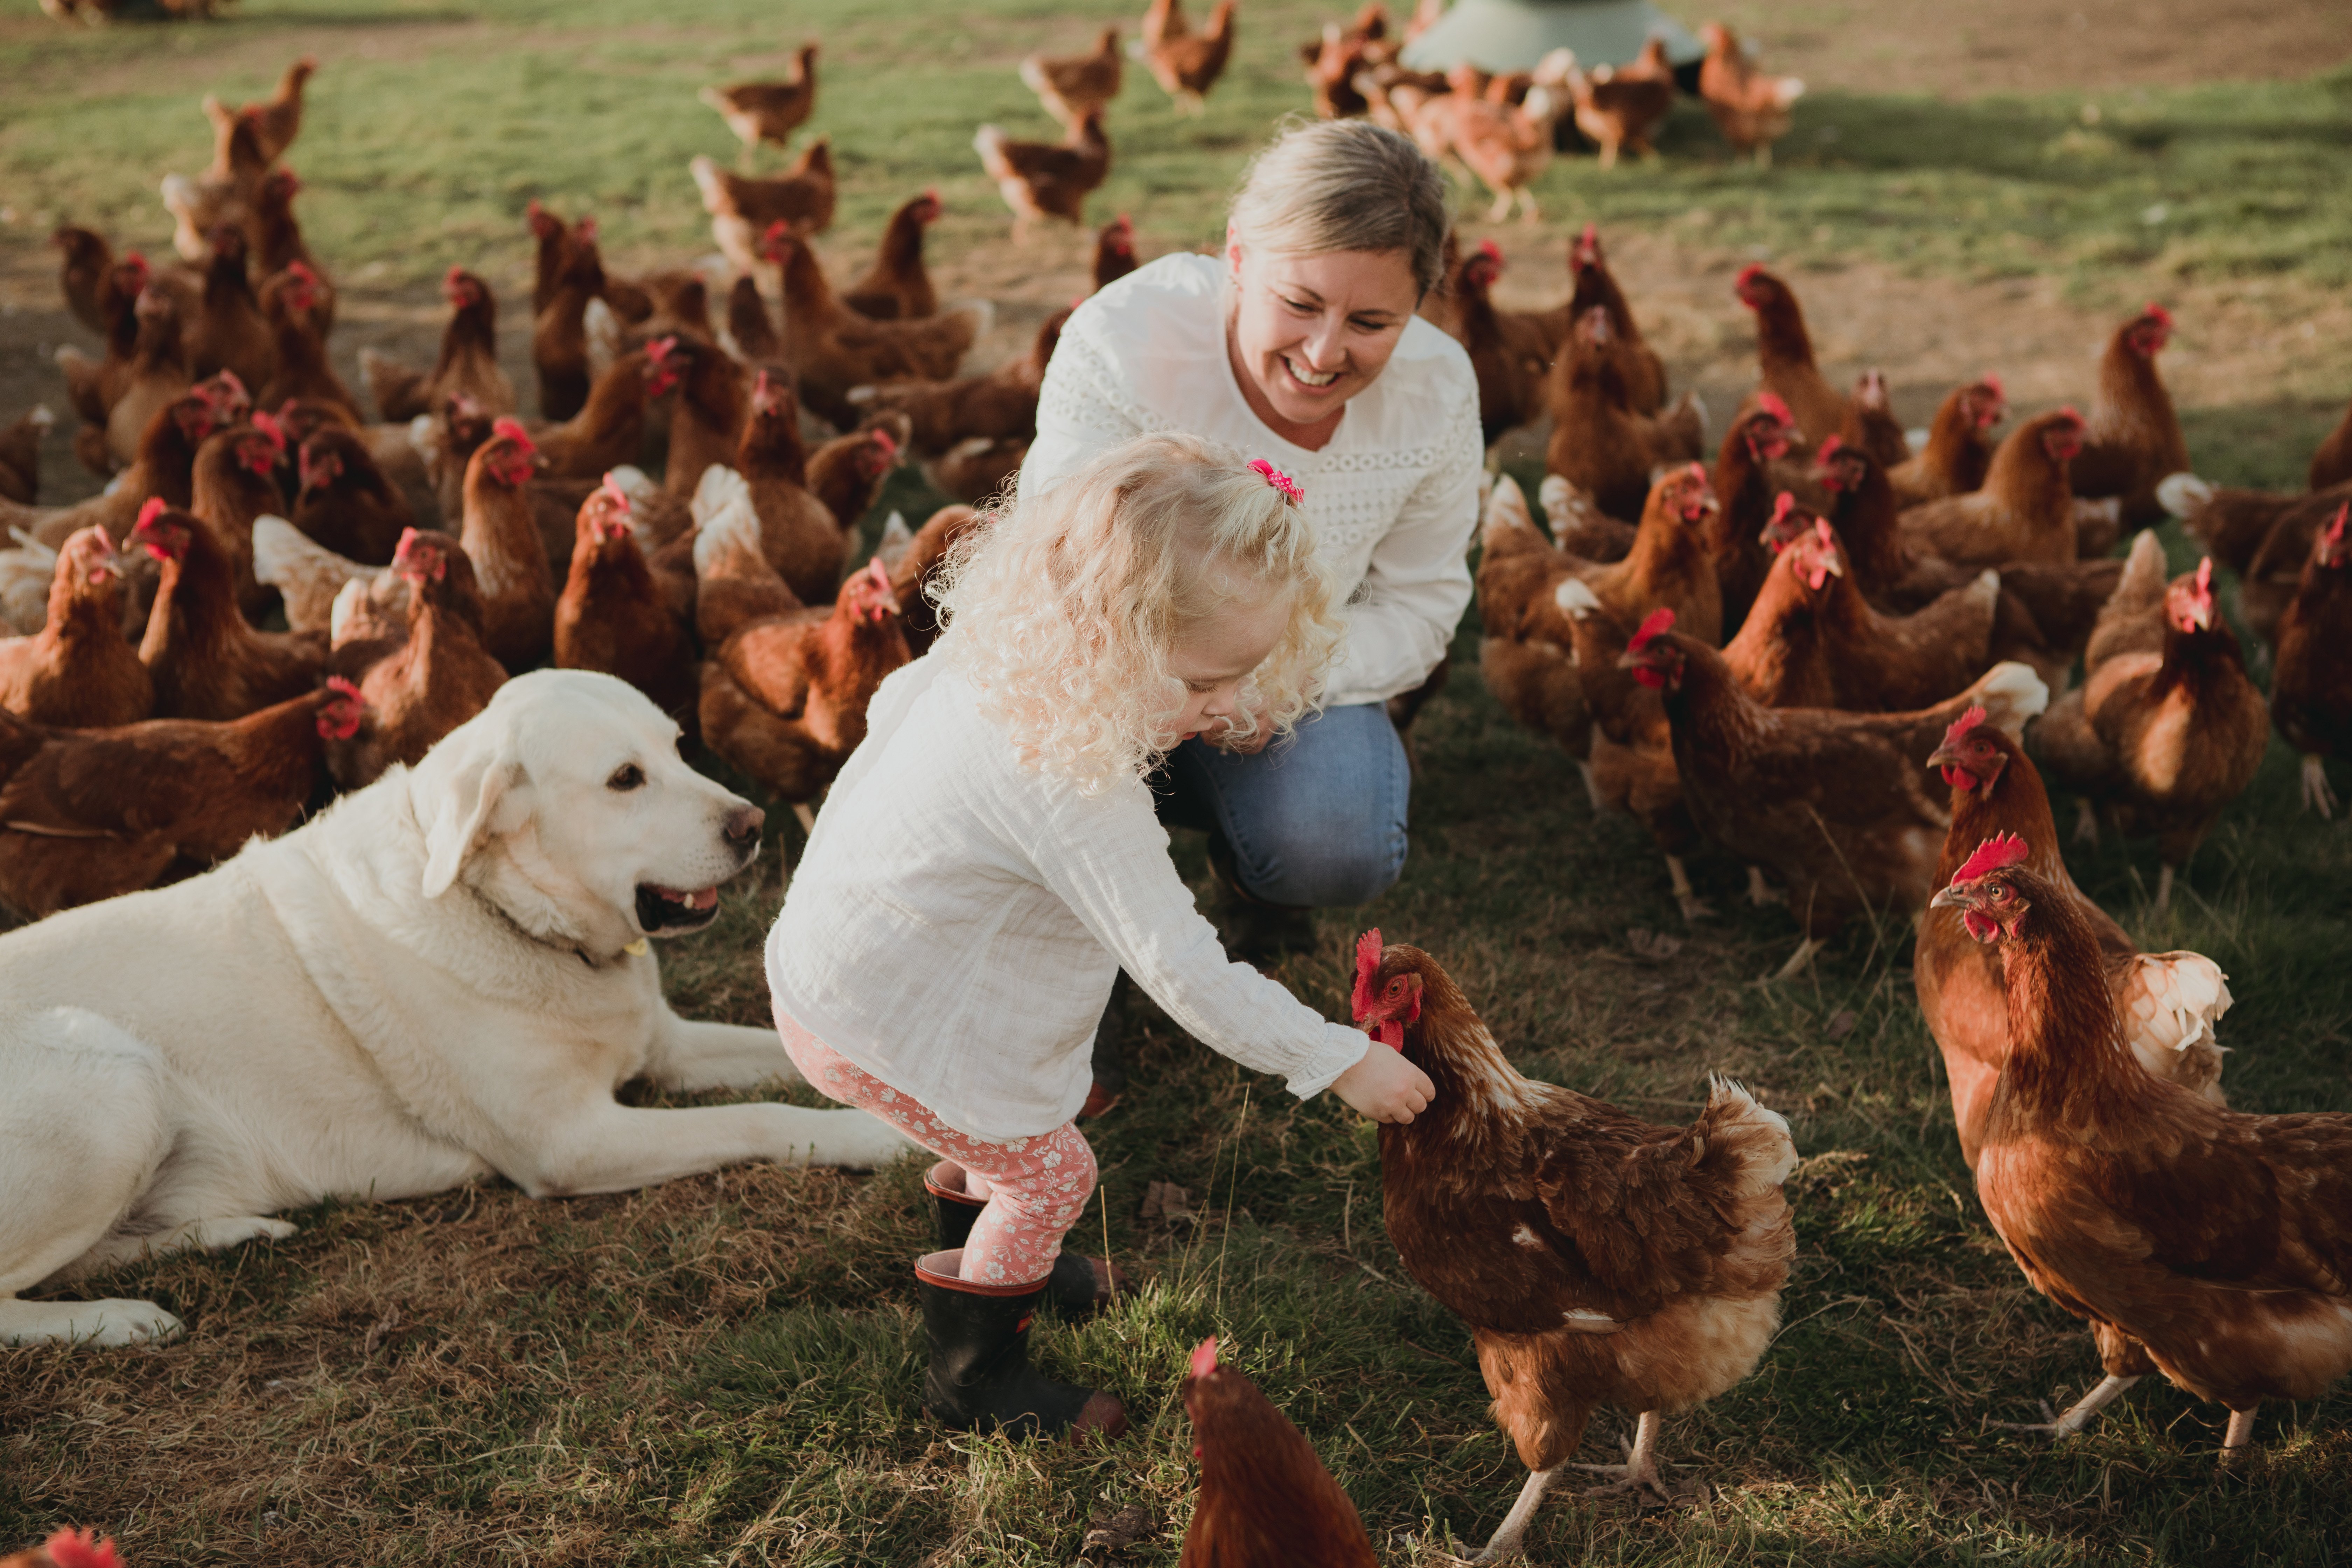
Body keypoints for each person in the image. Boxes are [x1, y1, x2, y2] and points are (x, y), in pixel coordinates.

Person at [764, 435, 1438, 1442]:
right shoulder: (1076, 787)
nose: (1225, 707)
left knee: (1007, 1136)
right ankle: (974, 1376)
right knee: (1053, 1172)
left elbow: (892, 712)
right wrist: (1338, 1061)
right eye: (1207, 680)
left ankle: (1003, 1252)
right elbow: (1181, 965)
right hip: (874, 1020)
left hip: (843, 970)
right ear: (1107, 639)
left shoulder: (999, 658)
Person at [1021, 118, 1479, 957]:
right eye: (1299, 303)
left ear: (1420, 303)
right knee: (1043, 784)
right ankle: (1078, 940)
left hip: (1289, 681)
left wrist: (1274, 678)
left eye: (1372, 321)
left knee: (1339, 843)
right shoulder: (1123, 341)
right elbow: (1056, 564)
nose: (1323, 351)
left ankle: (1257, 871)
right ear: (1237, 256)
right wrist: (1164, 685)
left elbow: (1422, 600)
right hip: (1111, 662)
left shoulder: (1439, 392)